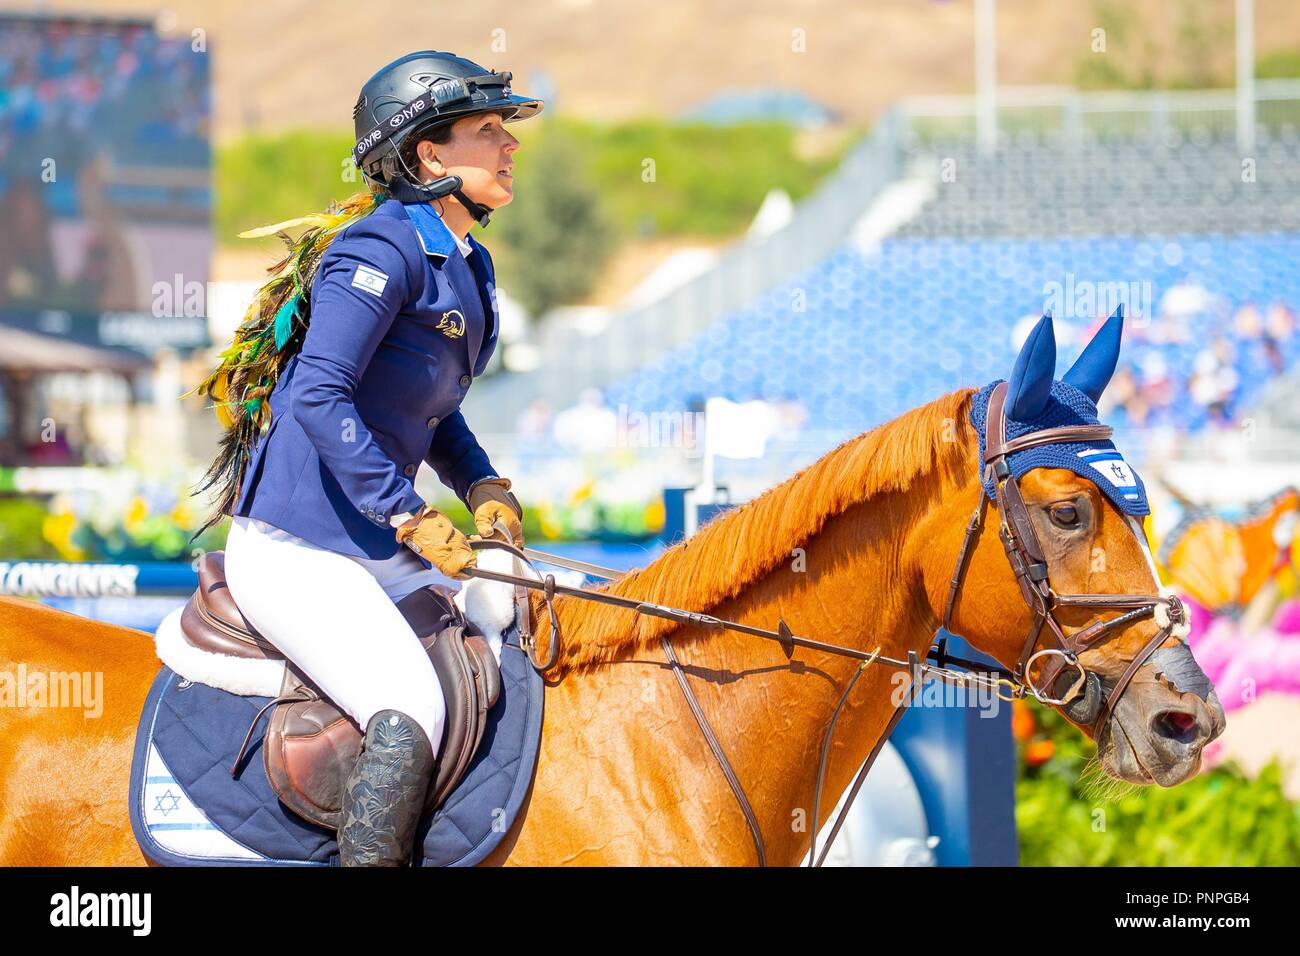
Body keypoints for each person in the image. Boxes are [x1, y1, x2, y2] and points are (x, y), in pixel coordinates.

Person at [186, 51, 541, 866]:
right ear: (430, 156)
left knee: (520, 618)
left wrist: (479, 482)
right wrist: (413, 513)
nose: (510, 145)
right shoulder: (379, 252)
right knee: (409, 702)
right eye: (489, 131)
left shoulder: (468, 264)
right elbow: (317, 393)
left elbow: (433, 410)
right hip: (299, 552)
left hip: (373, 547)